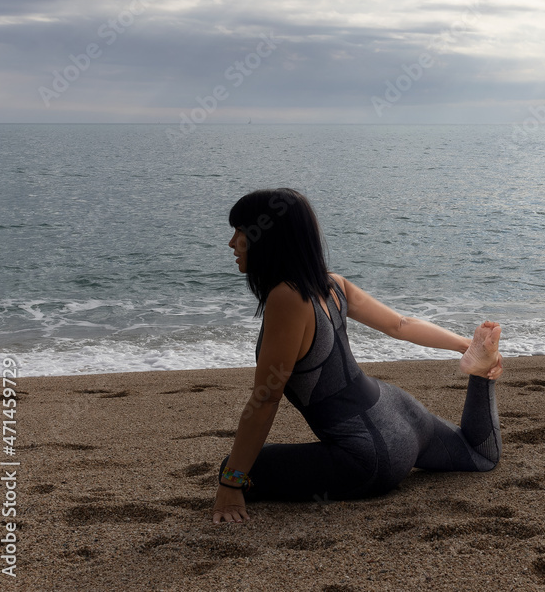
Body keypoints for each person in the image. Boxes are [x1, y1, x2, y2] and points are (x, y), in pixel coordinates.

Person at [213, 188, 503, 524]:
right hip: (404, 414)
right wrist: (465, 345)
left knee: (237, 470)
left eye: (241, 231)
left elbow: (265, 400)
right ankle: (480, 373)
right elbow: (400, 324)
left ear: (269, 237)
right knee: (480, 455)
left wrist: (230, 483)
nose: (232, 243)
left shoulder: (286, 298)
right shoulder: (332, 284)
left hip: (371, 456)